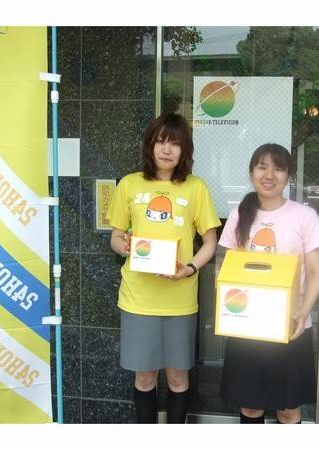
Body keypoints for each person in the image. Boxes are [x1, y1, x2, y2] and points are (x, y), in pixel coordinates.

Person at [106, 112, 220, 424]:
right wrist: (124, 246)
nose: (167, 149)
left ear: (185, 150)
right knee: (144, 378)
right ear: (150, 145)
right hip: (138, 299)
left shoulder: (196, 188)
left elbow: (209, 242)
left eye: (175, 143)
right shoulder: (130, 184)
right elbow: (115, 237)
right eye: (160, 141)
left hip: (179, 300)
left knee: (178, 378)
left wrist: (190, 269)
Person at [218, 143, 319, 424]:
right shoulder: (239, 214)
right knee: (250, 406)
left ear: (288, 176)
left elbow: (315, 272)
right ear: (251, 173)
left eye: (278, 169)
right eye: (262, 167)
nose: (269, 175)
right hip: (248, 324)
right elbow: (227, 267)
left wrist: (302, 313)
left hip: (290, 325)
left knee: (288, 409)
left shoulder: (304, 216)